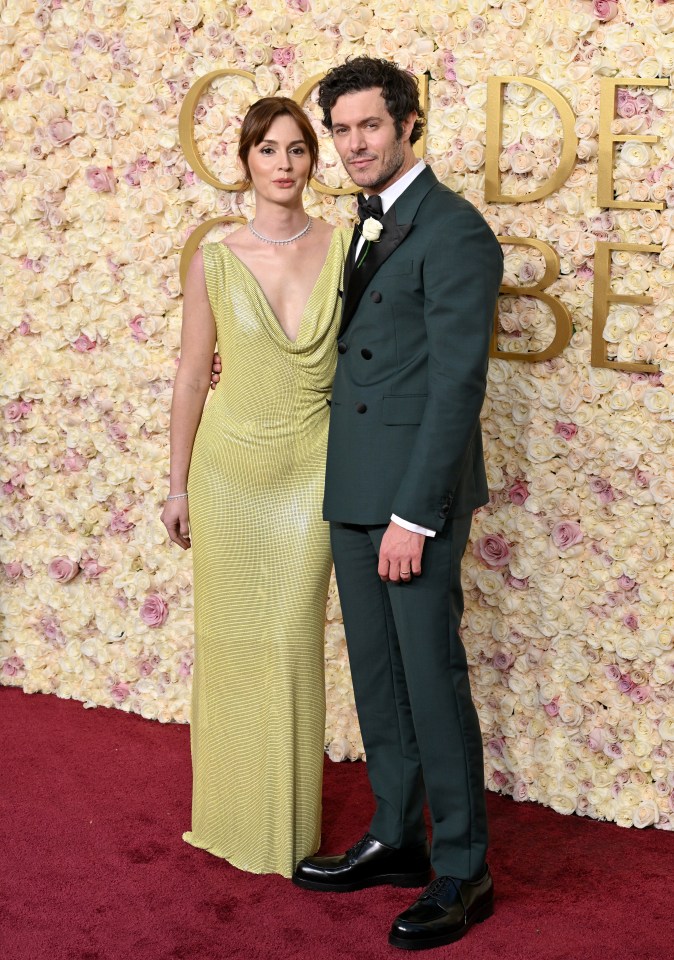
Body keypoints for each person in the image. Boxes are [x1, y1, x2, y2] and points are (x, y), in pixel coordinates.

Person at [291, 58, 504, 951]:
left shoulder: (453, 230)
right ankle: (396, 837)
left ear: (409, 123)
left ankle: (463, 869)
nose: (352, 146)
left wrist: (416, 514)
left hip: (413, 498)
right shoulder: (366, 223)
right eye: (340, 130)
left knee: (429, 677)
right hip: (355, 485)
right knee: (377, 674)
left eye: (369, 126)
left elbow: (458, 384)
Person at [161, 96, 350, 878]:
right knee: (232, 644)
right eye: (267, 149)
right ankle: (230, 816)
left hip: (313, 466)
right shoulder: (215, 258)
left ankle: (286, 828)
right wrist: (175, 484)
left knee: (289, 642)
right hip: (228, 472)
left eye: (298, 149)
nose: (283, 162)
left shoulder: (348, 247)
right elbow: (190, 373)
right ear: (245, 161)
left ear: (313, 161)